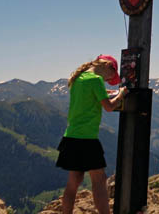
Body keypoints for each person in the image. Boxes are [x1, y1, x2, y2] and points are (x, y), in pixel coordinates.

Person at [56, 55, 127, 214]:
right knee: (99, 181)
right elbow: (108, 107)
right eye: (111, 76)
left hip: (71, 136)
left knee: (73, 182)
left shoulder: (78, 78)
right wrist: (121, 94)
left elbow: (87, 97)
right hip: (87, 138)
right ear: (108, 65)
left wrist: (104, 90)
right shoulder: (96, 80)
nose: (109, 79)